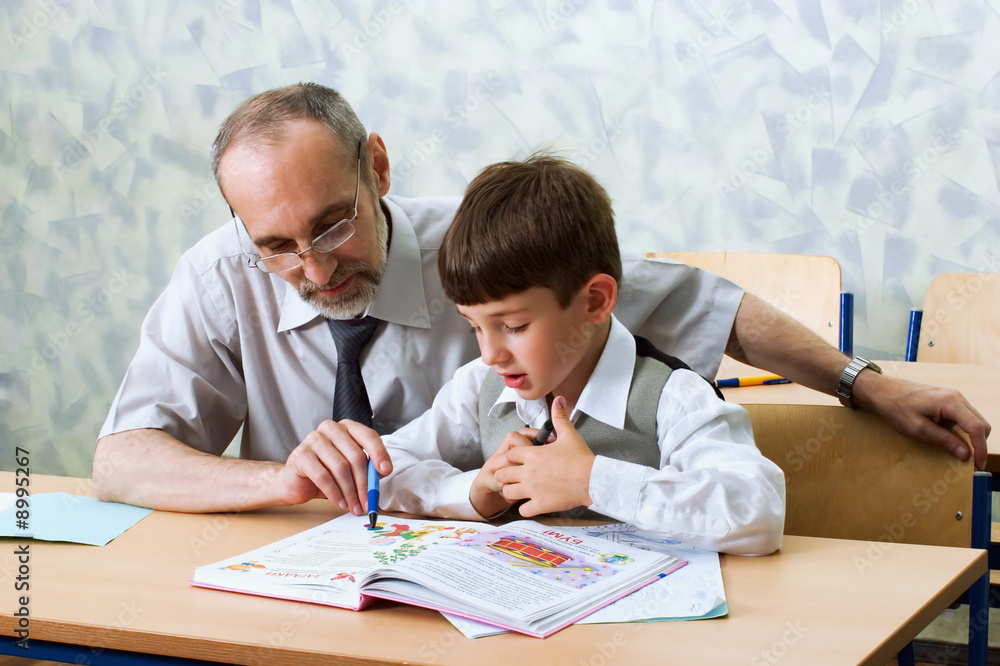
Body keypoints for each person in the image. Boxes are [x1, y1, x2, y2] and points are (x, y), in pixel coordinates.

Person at [93, 83, 989, 515]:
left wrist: (863, 382)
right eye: (278, 247)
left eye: (333, 228)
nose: (317, 270)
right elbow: (123, 459)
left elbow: (709, 307)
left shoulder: (488, 250)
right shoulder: (219, 275)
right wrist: (284, 479)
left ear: (377, 169)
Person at [379, 154, 785, 555]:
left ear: (594, 301)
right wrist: (473, 492)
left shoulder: (672, 396)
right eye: (475, 327)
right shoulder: (477, 387)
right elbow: (387, 465)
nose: (489, 354)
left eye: (515, 326)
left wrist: (593, 481)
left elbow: (758, 512)